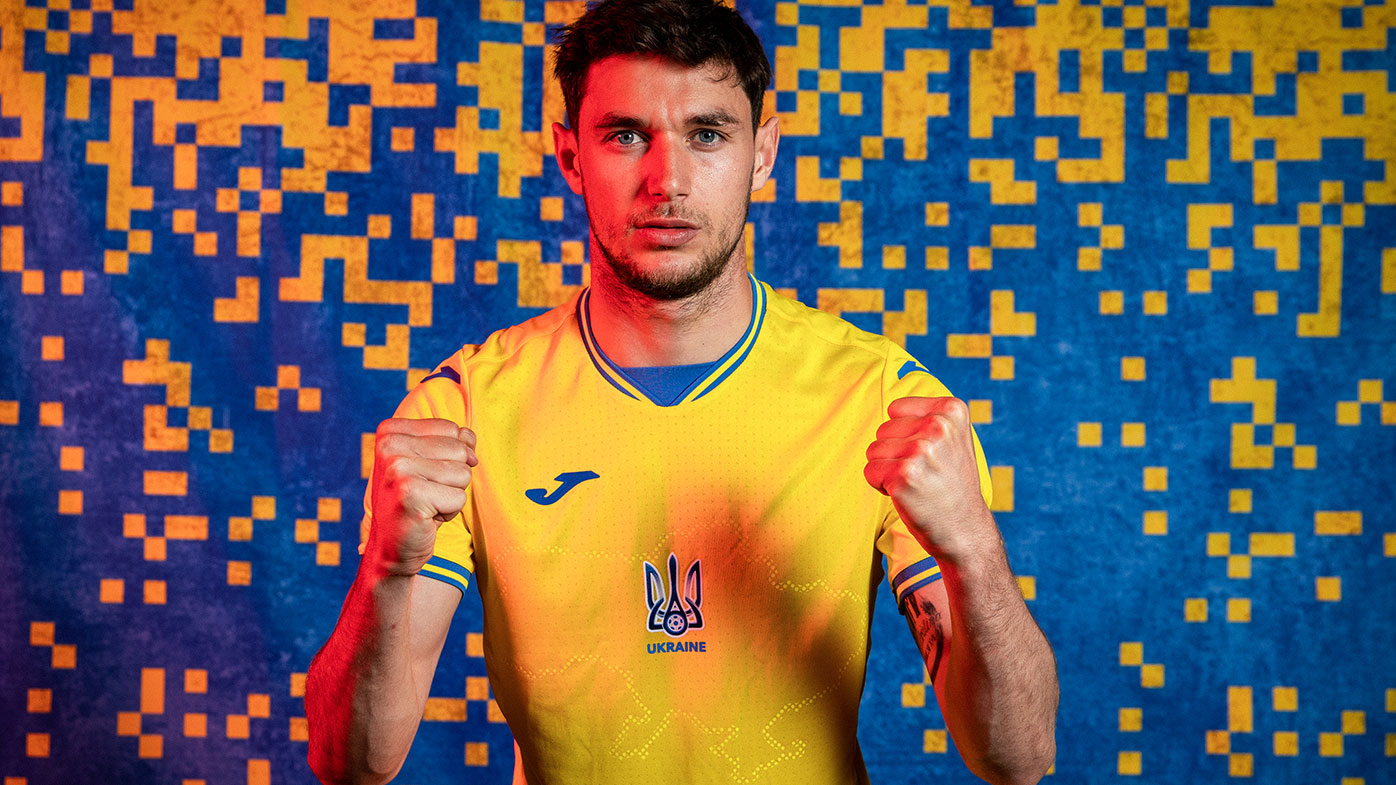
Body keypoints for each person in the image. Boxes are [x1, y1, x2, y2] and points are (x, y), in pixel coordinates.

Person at [305, 0, 1058, 782]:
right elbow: (349, 763)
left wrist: (972, 547)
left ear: (763, 154)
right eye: (626, 135)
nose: (668, 179)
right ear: (569, 158)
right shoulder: (462, 413)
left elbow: (1018, 758)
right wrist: (388, 570)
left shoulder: (883, 403)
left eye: (708, 134)